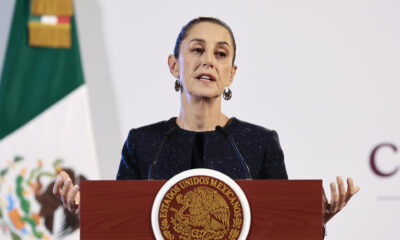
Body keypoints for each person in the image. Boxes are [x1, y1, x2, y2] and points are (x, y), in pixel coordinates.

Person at [53, 17, 359, 229]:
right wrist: (89, 215)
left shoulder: (260, 143)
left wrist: (314, 222)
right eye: (197, 49)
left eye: (221, 54)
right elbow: (121, 227)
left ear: (231, 73)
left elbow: (280, 230)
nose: (208, 60)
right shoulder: (142, 143)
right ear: (174, 65)